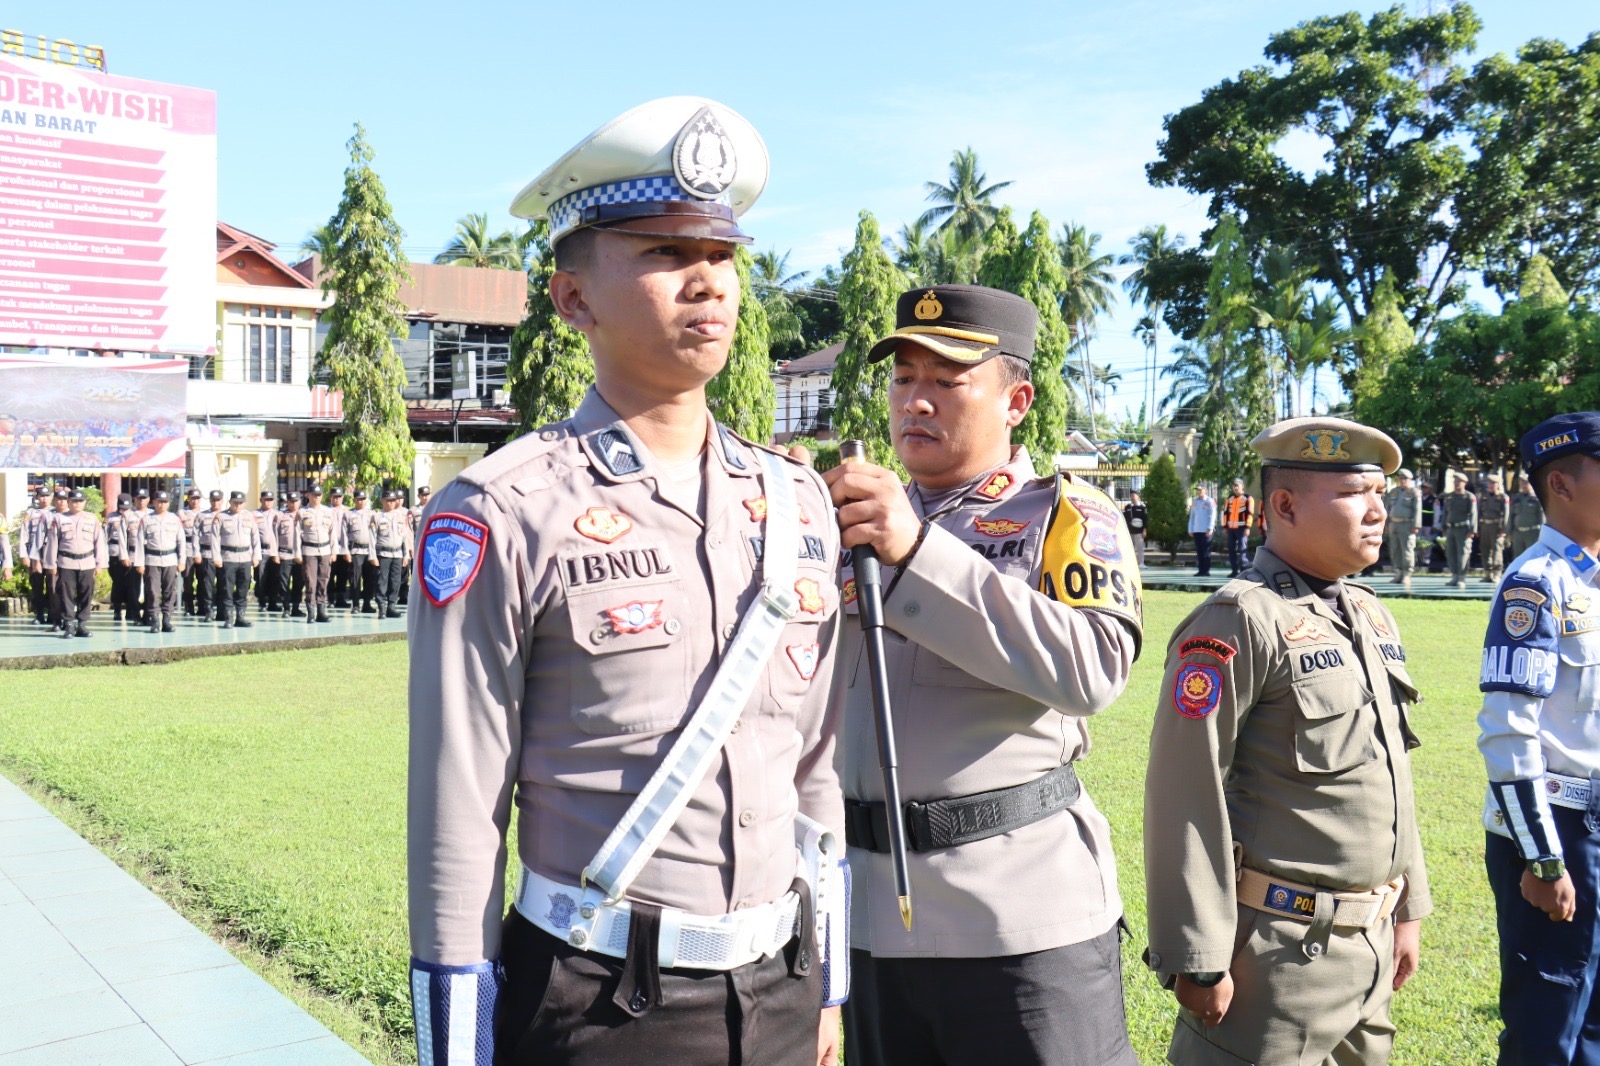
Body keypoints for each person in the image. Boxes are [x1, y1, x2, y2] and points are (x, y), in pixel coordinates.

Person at [407, 97, 846, 1066]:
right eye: (661, 252)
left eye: (723, 256)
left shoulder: (797, 502)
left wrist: (829, 986)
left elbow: (813, 760)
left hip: (779, 987)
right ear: (572, 299)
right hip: (601, 1006)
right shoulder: (500, 510)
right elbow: (456, 806)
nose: (707, 283)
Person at [825, 284, 1142, 1066]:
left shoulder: (1063, 514)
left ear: (1017, 400)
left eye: (947, 380)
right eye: (903, 380)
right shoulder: (844, 521)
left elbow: (1092, 667)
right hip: (864, 915)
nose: (917, 402)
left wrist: (917, 556)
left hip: (1018, 917)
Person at [1144, 415, 1431, 1065]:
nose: (1378, 509)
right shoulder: (1240, 618)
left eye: (1381, 493)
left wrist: (1408, 903)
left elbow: (1393, 772)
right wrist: (1197, 953)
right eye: (1358, 491)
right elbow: (1182, 793)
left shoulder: (1366, 613)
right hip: (1275, 964)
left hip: (1369, 954)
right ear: (1283, 505)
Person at [1478, 412, 1600, 1064]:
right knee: (1547, 1027)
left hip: (1595, 826)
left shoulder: (1595, 581)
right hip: (1556, 829)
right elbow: (1508, 731)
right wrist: (1542, 858)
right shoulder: (1536, 584)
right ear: (1562, 483)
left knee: (1593, 1023)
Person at [43, 489, 108, 639]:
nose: (77, 504)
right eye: (74, 501)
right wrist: (51, 564)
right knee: (66, 595)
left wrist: (100, 563)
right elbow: (52, 543)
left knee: (86, 593)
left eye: (80, 501)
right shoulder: (59, 518)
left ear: (85, 502)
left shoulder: (92, 519)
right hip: (66, 563)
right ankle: (69, 624)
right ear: (69, 502)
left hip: (87, 562)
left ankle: (82, 624)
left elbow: (99, 542)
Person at [134, 490, 189, 634]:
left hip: (170, 559)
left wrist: (182, 560)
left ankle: (167, 620)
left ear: (168, 503)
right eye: (159, 501)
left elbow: (181, 541)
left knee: (169, 591)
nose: (161, 504)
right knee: (152, 591)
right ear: (153, 502)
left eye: (164, 502)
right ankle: (154, 620)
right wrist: (139, 563)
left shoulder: (174, 519)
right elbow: (139, 542)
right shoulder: (146, 519)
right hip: (152, 560)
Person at [214, 491, 261, 628]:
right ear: (230, 502)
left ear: (244, 503)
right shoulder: (221, 517)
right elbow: (215, 539)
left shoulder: (249, 516)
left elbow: (255, 537)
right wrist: (216, 557)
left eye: (240, 503)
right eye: (235, 503)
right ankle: (228, 617)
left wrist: (256, 556)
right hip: (228, 557)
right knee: (226, 589)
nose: (238, 505)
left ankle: (240, 617)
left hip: (245, 557)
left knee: (243, 588)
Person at [295, 484, 340, 623]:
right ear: (308, 495)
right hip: (309, 551)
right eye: (314, 495)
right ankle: (311, 612)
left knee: (323, 580)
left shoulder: (328, 512)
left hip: (325, 550)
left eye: (319, 495)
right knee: (310, 582)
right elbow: (296, 535)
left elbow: (333, 533)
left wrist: (334, 552)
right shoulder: (302, 513)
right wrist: (297, 553)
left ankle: (321, 611)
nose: (316, 498)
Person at [370, 489, 412, 618]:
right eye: (388, 500)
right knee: (382, 581)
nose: (391, 503)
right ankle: (381, 607)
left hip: (398, 554)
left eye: (393, 500)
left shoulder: (401, 517)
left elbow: (405, 537)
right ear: (382, 501)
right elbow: (372, 538)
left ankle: (391, 606)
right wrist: (372, 556)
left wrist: (406, 555)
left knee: (396, 581)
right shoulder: (377, 517)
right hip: (383, 554)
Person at [1384, 468, 1423, 589]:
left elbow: (1418, 509)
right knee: (1395, 549)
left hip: (1407, 524)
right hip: (1394, 523)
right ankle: (1398, 572)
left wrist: (1416, 525)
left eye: (1405, 478)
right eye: (1400, 478)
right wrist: (1385, 523)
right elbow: (1386, 507)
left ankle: (1407, 573)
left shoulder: (1414, 492)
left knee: (1407, 550)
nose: (1402, 480)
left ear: (1410, 480)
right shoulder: (1393, 491)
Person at [1441, 473, 1478, 588]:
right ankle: (1454, 576)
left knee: (1463, 554)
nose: (1457, 484)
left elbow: (1473, 514)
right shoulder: (1449, 496)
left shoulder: (1469, 497)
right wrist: (1443, 527)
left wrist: (1472, 529)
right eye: (1455, 482)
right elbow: (1445, 513)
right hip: (1451, 528)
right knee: (1450, 553)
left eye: (1459, 482)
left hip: (1463, 529)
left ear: (1464, 483)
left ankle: (1461, 577)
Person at [19, 486, 50, 624]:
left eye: (47, 495)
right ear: (37, 497)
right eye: (42, 496)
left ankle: (52, 614)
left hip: (50, 552)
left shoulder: (57, 513)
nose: (44, 498)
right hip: (34, 552)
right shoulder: (30, 513)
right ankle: (39, 614)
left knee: (52, 585)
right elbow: (24, 534)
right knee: (36, 585)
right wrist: (24, 555)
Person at [342, 489, 376, 612]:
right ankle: (355, 604)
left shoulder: (372, 514)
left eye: (363, 499)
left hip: (369, 551)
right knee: (355, 579)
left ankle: (367, 603)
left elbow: (375, 533)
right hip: (355, 551)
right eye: (359, 499)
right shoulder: (348, 514)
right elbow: (344, 534)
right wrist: (346, 551)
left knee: (369, 578)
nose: (361, 501)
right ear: (354, 500)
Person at [196, 489, 225, 620]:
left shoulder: (227, 515)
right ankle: (208, 610)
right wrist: (197, 553)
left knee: (223, 584)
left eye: (218, 500)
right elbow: (195, 536)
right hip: (207, 553)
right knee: (207, 584)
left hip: (224, 554)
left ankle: (221, 611)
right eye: (213, 500)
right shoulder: (201, 516)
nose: (215, 503)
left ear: (222, 501)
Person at [105, 496, 135, 622]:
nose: (124, 511)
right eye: (122, 508)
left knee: (131, 583)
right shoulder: (111, 517)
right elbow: (104, 536)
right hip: (115, 553)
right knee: (117, 583)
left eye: (127, 508)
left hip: (131, 553)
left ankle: (130, 610)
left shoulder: (134, 517)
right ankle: (117, 610)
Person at [276, 493, 306, 617]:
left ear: (300, 501)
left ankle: (296, 607)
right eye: (291, 501)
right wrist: (275, 554)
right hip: (285, 554)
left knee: (299, 583)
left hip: (300, 555)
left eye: (296, 501)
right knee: (284, 583)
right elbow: (275, 535)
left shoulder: (305, 515)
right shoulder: (280, 516)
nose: (293, 503)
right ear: (287, 502)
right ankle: (286, 608)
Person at [1479, 473, 1509, 583]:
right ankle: (1488, 574)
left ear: (1498, 484)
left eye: (1492, 483)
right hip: (1485, 526)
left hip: (1497, 527)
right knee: (1485, 549)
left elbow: (1506, 514)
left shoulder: (1502, 497)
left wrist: (1504, 529)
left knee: (1497, 550)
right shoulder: (1484, 496)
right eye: (1489, 483)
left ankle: (1497, 574)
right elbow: (1479, 512)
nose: (1490, 485)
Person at [1221, 478, 1255, 577]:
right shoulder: (1229, 499)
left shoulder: (1248, 498)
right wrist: (1225, 527)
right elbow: (1226, 513)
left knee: (1242, 549)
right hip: (1231, 529)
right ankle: (1234, 571)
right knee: (1231, 550)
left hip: (1242, 529)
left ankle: (1243, 572)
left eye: (1237, 485)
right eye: (1234, 486)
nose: (1235, 488)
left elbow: (1250, 514)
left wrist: (1248, 527)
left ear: (1242, 486)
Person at [1507, 472, 1545, 560]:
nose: (1523, 484)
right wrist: (1509, 532)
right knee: (1517, 558)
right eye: (1522, 482)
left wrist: (1542, 533)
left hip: (1532, 533)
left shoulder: (1537, 498)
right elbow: (1511, 516)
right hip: (1518, 533)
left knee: (1532, 557)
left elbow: (1542, 516)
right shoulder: (1516, 498)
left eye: (1526, 482)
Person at [254, 490, 279, 611]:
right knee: (261, 578)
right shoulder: (254, 514)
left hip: (274, 551)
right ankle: (262, 602)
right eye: (266, 500)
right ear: (261, 500)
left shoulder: (278, 514)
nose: (268, 502)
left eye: (270, 500)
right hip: (261, 551)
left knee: (274, 578)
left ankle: (273, 603)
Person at [179, 489, 203, 615]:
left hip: (202, 549)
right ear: (188, 499)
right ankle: (189, 607)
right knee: (188, 579)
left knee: (203, 579)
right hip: (188, 548)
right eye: (192, 498)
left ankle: (202, 605)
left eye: (197, 498)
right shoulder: (182, 513)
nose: (195, 501)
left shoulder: (205, 513)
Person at [328, 485, 352, 608]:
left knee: (343, 574)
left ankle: (340, 599)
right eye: (334, 497)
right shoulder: (326, 511)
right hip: (330, 547)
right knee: (330, 574)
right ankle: (330, 599)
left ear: (342, 497)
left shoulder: (348, 511)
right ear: (330, 498)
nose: (336, 499)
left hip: (344, 547)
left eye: (339, 497)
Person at [1189, 483, 1217, 577]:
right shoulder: (1195, 501)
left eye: (1200, 490)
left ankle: (1206, 570)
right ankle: (1200, 570)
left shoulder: (1210, 501)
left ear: (1206, 490)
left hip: (1206, 530)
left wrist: (1210, 528)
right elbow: (1192, 516)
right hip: (1197, 529)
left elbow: (1213, 515)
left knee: (1206, 551)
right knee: (1199, 551)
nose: (1198, 492)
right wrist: (1190, 528)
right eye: (1197, 490)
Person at [1124, 489, 1149, 567]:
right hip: (1130, 531)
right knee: (1130, 548)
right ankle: (1130, 563)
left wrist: (1144, 530)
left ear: (1138, 496)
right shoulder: (1128, 507)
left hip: (1139, 531)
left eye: (1134, 495)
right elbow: (1125, 519)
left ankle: (1141, 563)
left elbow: (1145, 519)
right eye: (1131, 496)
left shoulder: (1142, 507)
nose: (1132, 497)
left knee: (1140, 548)